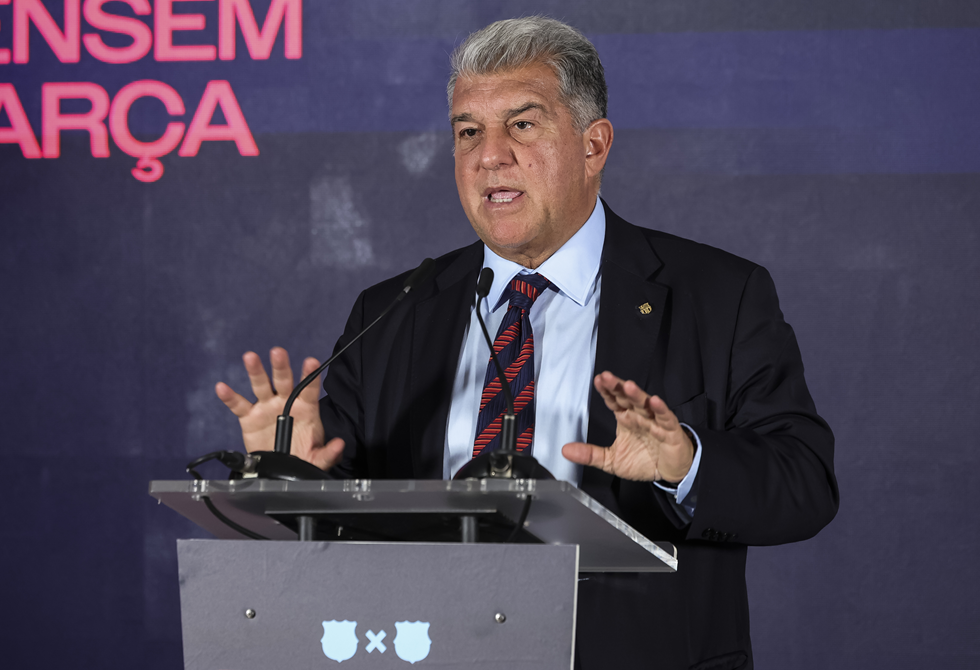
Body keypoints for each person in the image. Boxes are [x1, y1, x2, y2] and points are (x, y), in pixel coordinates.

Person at [216, 17, 838, 669]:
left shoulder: (717, 294)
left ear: (594, 145)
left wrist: (686, 464)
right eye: (468, 132)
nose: (490, 156)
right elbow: (349, 514)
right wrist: (298, 481)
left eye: (522, 125)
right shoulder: (394, 311)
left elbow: (805, 484)